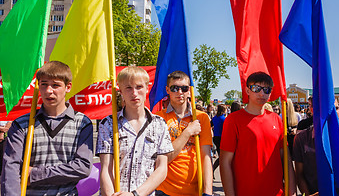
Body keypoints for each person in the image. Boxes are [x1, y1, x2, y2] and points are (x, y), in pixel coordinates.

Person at [1, 61, 93, 195]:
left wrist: (36, 174)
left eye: (55, 85)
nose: (49, 90)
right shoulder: (21, 124)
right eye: (44, 84)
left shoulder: (82, 123)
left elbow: (82, 167)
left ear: (68, 87)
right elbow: (11, 168)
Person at [96, 66, 173, 196]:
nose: (134, 93)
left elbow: (161, 168)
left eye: (139, 87)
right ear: (121, 91)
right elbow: (106, 169)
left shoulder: (159, 124)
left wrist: (135, 194)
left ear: (147, 88)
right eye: (128, 88)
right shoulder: (109, 123)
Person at [220, 71, 296, 196]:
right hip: (245, 192)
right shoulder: (233, 120)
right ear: (247, 90)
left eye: (266, 90)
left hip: (277, 192)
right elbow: (225, 162)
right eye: (256, 88)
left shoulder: (276, 119)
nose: (261, 93)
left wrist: (292, 191)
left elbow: (285, 157)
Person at [155, 71, 213, 196]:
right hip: (164, 190)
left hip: (195, 190)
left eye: (184, 88)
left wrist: (208, 192)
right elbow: (163, 160)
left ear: (189, 90)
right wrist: (187, 133)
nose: (180, 92)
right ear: (167, 90)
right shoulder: (158, 118)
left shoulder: (201, 117)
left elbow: (206, 157)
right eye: (174, 88)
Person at [293, 97, 339, 195]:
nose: (332, 113)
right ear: (313, 110)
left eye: (336, 108)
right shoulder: (301, 139)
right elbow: (299, 175)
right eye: (327, 109)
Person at [211, 104, 226, 174]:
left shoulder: (214, 118)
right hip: (222, 138)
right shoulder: (224, 119)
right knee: (222, 157)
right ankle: (212, 169)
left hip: (215, 137)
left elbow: (210, 125)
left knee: (221, 157)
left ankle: (212, 169)